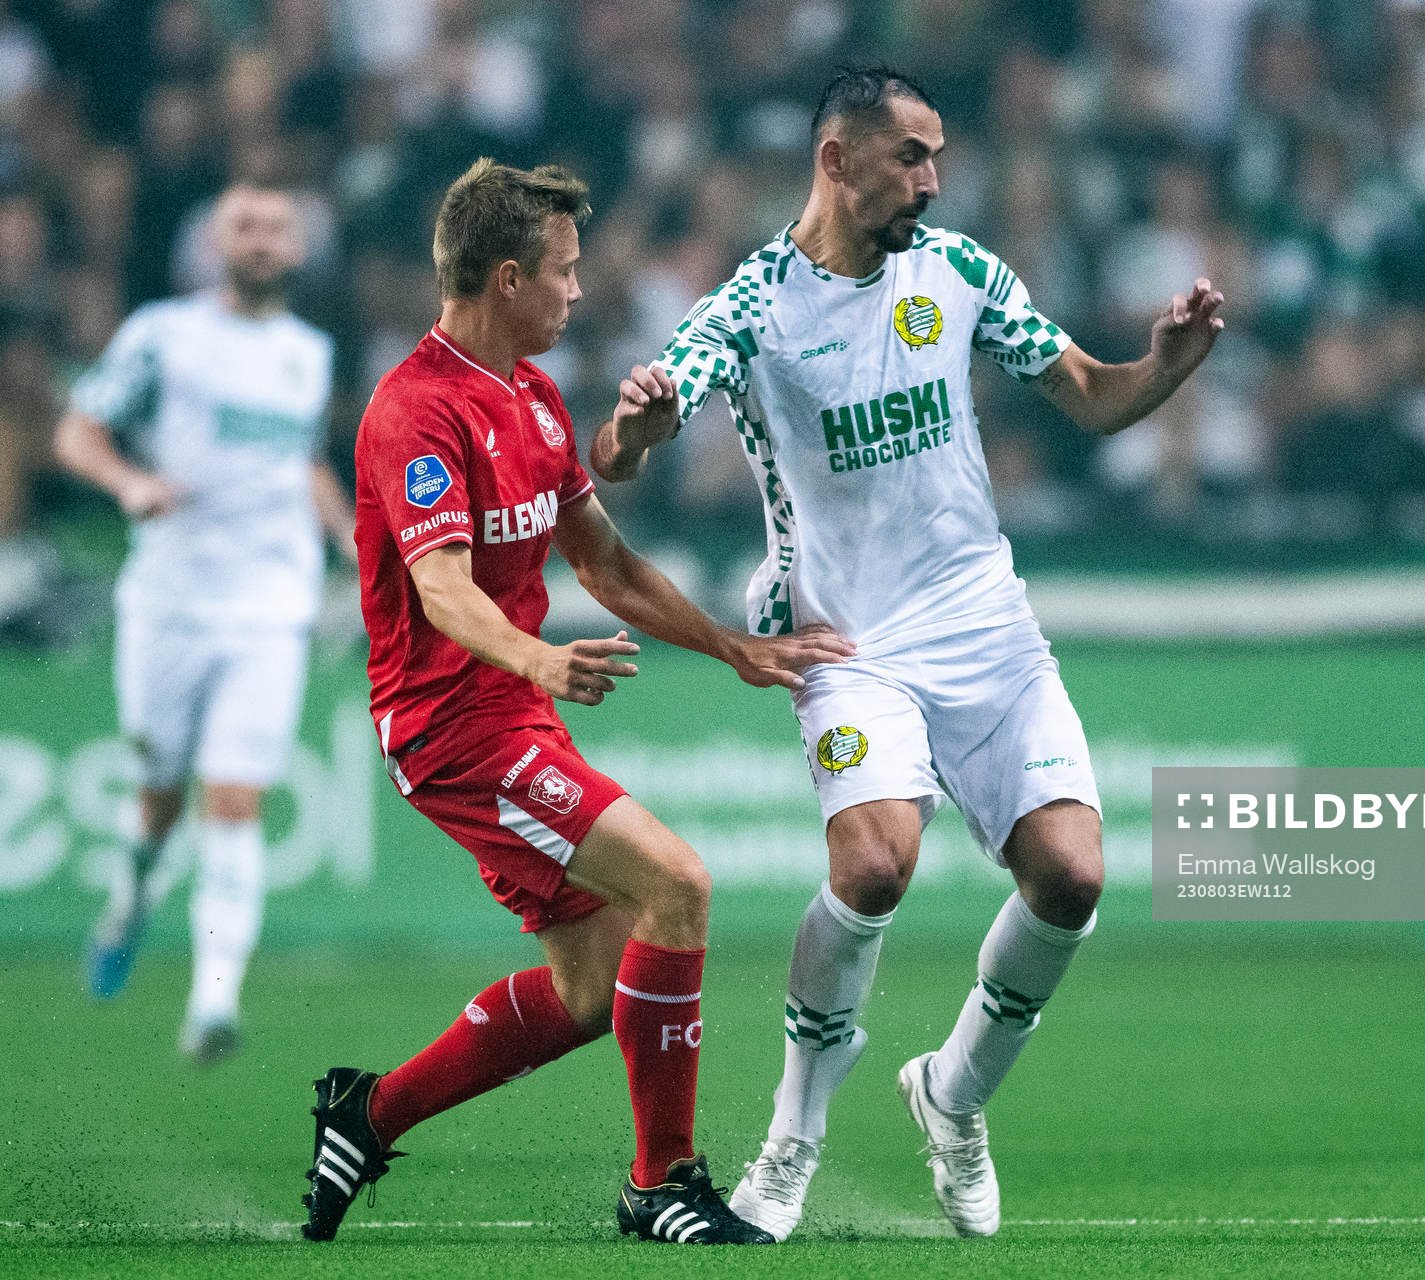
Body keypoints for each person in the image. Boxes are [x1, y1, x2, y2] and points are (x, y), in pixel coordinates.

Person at [590, 66, 1226, 1239]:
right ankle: (791, 1142)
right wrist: (630, 428)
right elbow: (629, 445)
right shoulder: (753, 304)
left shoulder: (961, 272)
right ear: (838, 161)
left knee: (1074, 876)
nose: (933, 181)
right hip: (845, 636)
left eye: (937, 157)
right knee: (875, 863)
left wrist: (1165, 368)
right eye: (912, 158)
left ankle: (952, 1091)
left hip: (985, 624)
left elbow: (1087, 393)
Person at [303, 158, 852, 1247]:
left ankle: (370, 1112)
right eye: (564, 270)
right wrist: (542, 661)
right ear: (507, 279)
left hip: (512, 710)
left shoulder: (537, 399)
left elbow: (606, 565)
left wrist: (730, 645)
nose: (579, 289)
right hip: (450, 727)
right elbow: (442, 588)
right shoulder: (414, 412)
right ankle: (662, 1182)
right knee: (679, 885)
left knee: (593, 985)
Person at [55, 182, 354, 1064]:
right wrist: (129, 483)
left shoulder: (309, 352)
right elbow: (78, 431)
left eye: (276, 228)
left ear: (299, 249)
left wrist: (344, 532)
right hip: (170, 601)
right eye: (244, 227)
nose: (260, 242)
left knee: (234, 799)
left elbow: (296, 462)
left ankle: (214, 1001)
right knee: (157, 801)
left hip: (269, 605)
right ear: (214, 243)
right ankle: (130, 902)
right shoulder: (164, 334)